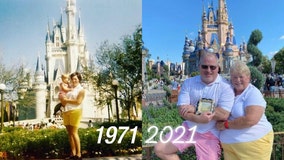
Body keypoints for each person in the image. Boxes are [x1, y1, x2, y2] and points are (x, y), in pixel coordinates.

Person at [154, 51, 234, 160]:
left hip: (210, 133)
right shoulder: (188, 83)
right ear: (199, 66)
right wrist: (199, 118)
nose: (208, 70)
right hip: (189, 128)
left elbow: (223, 114)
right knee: (160, 149)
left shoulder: (225, 86)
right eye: (204, 67)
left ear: (218, 68)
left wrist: (195, 108)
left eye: (212, 67)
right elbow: (182, 110)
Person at [216, 60, 274, 160]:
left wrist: (226, 125)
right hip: (230, 148)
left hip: (254, 148)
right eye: (234, 77)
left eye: (241, 77)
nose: (237, 80)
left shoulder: (252, 93)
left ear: (248, 77)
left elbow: (250, 120)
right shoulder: (228, 91)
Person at [61, 72, 85, 160]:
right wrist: (63, 100)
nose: (73, 80)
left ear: (79, 79)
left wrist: (67, 100)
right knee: (70, 134)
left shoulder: (81, 90)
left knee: (74, 133)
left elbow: (78, 101)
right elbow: (64, 101)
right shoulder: (70, 89)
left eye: (75, 79)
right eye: (72, 79)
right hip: (66, 111)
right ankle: (73, 153)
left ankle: (78, 155)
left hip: (76, 111)